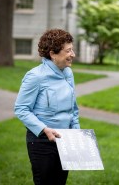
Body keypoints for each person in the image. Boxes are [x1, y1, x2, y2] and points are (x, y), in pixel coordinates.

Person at [14, 29, 80, 185]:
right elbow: (21, 109)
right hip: (42, 142)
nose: (73, 54)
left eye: (72, 49)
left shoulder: (68, 73)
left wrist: (76, 133)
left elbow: (73, 108)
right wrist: (44, 129)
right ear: (53, 54)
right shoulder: (35, 76)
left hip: (65, 139)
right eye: (68, 50)